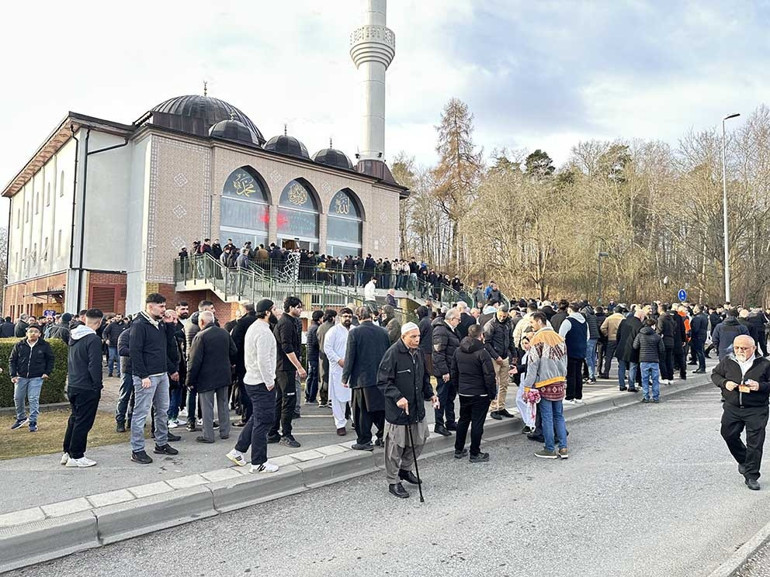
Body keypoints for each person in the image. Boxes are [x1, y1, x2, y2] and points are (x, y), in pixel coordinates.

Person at [377, 323, 439, 499]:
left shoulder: (418, 352)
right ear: (403, 337)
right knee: (395, 448)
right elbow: (383, 381)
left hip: (417, 408)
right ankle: (393, 481)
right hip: (398, 411)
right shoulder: (392, 354)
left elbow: (424, 377)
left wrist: (430, 394)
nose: (417, 339)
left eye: (418, 336)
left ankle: (405, 469)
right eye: (413, 336)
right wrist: (397, 397)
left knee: (419, 441)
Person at [227, 299, 281, 473]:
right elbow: (263, 360)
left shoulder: (255, 328)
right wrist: (270, 382)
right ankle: (258, 462)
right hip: (261, 382)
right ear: (267, 312)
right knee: (264, 421)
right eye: (274, 309)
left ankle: (238, 451)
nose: (277, 312)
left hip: (253, 379)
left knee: (258, 417)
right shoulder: (264, 332)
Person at [712, 335, 770, 491]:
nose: (740, 351)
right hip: (733, 407)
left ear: (754, 348)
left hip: (756, 408)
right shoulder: (728, 361)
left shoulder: (764, 364)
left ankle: (751, 476)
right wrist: (725, 383)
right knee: (728, 434)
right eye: (737, 347)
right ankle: (744, 461)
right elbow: (715, 375)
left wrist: (760, 386)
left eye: (744, 348)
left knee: (755, 443)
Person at [129, 293, 180, 464]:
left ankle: (161, 443)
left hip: (161, 373)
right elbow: (135, 352)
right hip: (147, 376)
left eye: (165, 306)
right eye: (162, 306)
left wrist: (169, 324)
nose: (164, 310)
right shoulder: (139, 325)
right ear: (151, 307)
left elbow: (166, 344)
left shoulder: (159, 324)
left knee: (162, 410)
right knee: (141, 412)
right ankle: (137, 450)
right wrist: (143, 375)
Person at [520, 312, 569, 459]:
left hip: (544, 382)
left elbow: (533, 365)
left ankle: (549, 448)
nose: (531, 325)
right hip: (559, 380)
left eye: (532, 322)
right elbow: (565, 360)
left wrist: (527, 387)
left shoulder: (537, 339)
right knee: (559, 416)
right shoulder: (559, 337)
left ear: (540, 321)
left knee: (547, 417)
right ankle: (563, 447)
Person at [343, 306, 391, 450]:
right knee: (380, 409)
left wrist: (345, 377)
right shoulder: (383, 332)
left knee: (361, 411)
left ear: (358, 317)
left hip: (361, 378)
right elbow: (388, 354)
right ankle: (383, 436)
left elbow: (350, 356)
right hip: (381, 377)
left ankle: (364, 440)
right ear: (371, 315)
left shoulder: (354, 333)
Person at [61, 309, 104, 467]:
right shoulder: (93, 339)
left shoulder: (73, 335)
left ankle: (67, 452)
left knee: (74, 419)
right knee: (83, 422)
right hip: (87, 386)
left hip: (73, 383)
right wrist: (97, 385)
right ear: (98, 322)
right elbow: (95, 365)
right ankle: (77, 455)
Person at [186, 311, 237, 443]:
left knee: (207, 406)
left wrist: (190, 380)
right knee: (223, 403)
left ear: (202, 322)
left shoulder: (200, 336)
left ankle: (208, 435)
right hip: (224, 374)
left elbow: (194, 361)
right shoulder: (224, 333)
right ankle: (225, 432)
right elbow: (234, 351)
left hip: (206, 376)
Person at [452, 324, 496, 462]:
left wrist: (458, 388)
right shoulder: (483, 352)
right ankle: (475, 453)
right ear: (481, 335)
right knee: (477, 423)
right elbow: (489, 376)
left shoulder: (458, 351)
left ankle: (458, 449)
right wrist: (492, 394)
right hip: (480, 393)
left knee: (463, 420)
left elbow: (454, 372)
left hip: (464, 392)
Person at [268, 296, 306, 447]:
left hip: (283, 367)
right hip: (284, 368)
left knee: (280, 400)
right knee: (288, 401)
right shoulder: (285, 323)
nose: (300, 309)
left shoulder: (289, 322)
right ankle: (286, 434)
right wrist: (299, 366)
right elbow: (287, 347)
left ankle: (273, 432)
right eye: (298, 307)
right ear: (290, 308)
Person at [9, 325, 55, 432]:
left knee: (33, 398)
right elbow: (12, 360)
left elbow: (50, 359)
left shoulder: (44, 345)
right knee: (18, 397)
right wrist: (13, 375)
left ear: (39, 334)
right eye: (30, 331)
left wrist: (47, 372)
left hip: (37, 377)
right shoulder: (19, 345)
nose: (33, 333)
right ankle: (21, 417)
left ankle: (33, 421)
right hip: (21, 376)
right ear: (26, 333)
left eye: (35, 331)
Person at [431, 307, 461, 436]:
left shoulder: (452, 330)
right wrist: (444, 371)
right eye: (458, 319)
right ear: (451, 319)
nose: (459, 321)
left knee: (450, 397)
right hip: (445, 371)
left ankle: (450, 421)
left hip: (452, 370)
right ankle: (439, 424)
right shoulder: (441, 330)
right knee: (441, 398)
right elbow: (438, 353)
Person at [484, 305, 517, 420]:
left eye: (504, 316)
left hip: (505, 356)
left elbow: (510, 339)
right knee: (494, 383)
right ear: (497, 313)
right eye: (500, 316)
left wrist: (514, 354)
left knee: (504, 383)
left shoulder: (509, 323)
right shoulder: (490, 325)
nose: (502, 318)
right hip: (494, 357)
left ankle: (501, 406)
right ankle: (493, 407)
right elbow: (486, 343)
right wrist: (495, 356)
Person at [324, 307, 354, 435]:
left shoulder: (355, 330)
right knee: (339, 398)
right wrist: (338, 360)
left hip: (353, 369)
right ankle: (340, 424)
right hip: (338, 369)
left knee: (354, 397)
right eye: (345, 316)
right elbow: (328, 348)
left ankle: (356, 421)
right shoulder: (333, 331)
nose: (347, 319)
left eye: (349, 316)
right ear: (339, 318)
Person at [231, 303, 258, 427]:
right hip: (257, 361)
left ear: (244, 310)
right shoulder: (259, 321)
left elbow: (235, 343)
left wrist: (233, 362)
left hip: (243, 361)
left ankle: (246, 417)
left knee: (244, 390)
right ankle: (255, 416)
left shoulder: (241, 323)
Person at [559, 302, 589, 404]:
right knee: (578, 374)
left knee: (571, 374)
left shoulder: (568, 321)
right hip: (581, 350)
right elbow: (587, 336)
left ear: (570, 310)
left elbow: (561, 337)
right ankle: (578, 396)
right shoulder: (584, 322)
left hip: (570, 350)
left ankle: (569, 396)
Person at [633, 318, 666, 403]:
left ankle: (646, 396)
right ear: (653, 326)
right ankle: (656, 397)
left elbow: (635, 346)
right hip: (654, 360)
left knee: (645, 379)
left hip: (643, 359)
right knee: (655, 379)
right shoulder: (657, 336)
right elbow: (662, 349)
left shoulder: (640, 335)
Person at [616, 307, 644, 392]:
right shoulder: (639, 325)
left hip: (622, 347)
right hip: (633, 349)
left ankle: (622, 385)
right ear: (640, 316)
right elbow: (639, 339)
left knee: (621, 367)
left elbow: (618, 335)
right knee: (633, 368)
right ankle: (631, 386)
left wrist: (619, 344)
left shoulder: (624, 321)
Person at [115, 318, 134, 432]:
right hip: (127, 369)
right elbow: (122, 350)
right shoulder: (125, 334)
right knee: (124, 396)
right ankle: (120, 420)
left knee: (136, 398)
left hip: (140, 370)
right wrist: (137, 351)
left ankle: (132, 420)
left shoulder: (142, 334)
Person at [317, 309, 337, 408]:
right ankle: (331, 399)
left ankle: (322, 399)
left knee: (322, 376)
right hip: (333, 355)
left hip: (322, 355)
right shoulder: (335, 328)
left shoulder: (320, 327)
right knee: (332, 377)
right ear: (333, 317)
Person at [599, 306, 625, 378]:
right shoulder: (623, 319)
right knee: (621, 358)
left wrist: (606, 334)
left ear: (614, 311)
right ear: (621, 312)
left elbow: (602, 327)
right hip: (620, 340)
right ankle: (622, 374)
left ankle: (606, 372)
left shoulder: (609, 318)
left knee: (608, 357)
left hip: (611, 339)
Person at [305, 310, 323, 405]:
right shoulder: (317, 328)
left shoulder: (311, 327)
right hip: (314, 355)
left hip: (310, 354)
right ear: (320, 318)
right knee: (315, 376)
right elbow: (316, 343)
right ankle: (312, 397)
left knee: (310, 376)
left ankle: (308, 395)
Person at [690, 305, 709, 374]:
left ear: (697, 309)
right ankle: (702, 367)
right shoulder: (704, 316)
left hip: (698, 336)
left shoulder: (697, 318)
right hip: (703, 335)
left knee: (699, 352)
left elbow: (695, 329)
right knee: (701, 351)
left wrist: (691, 334)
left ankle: (702, 367)